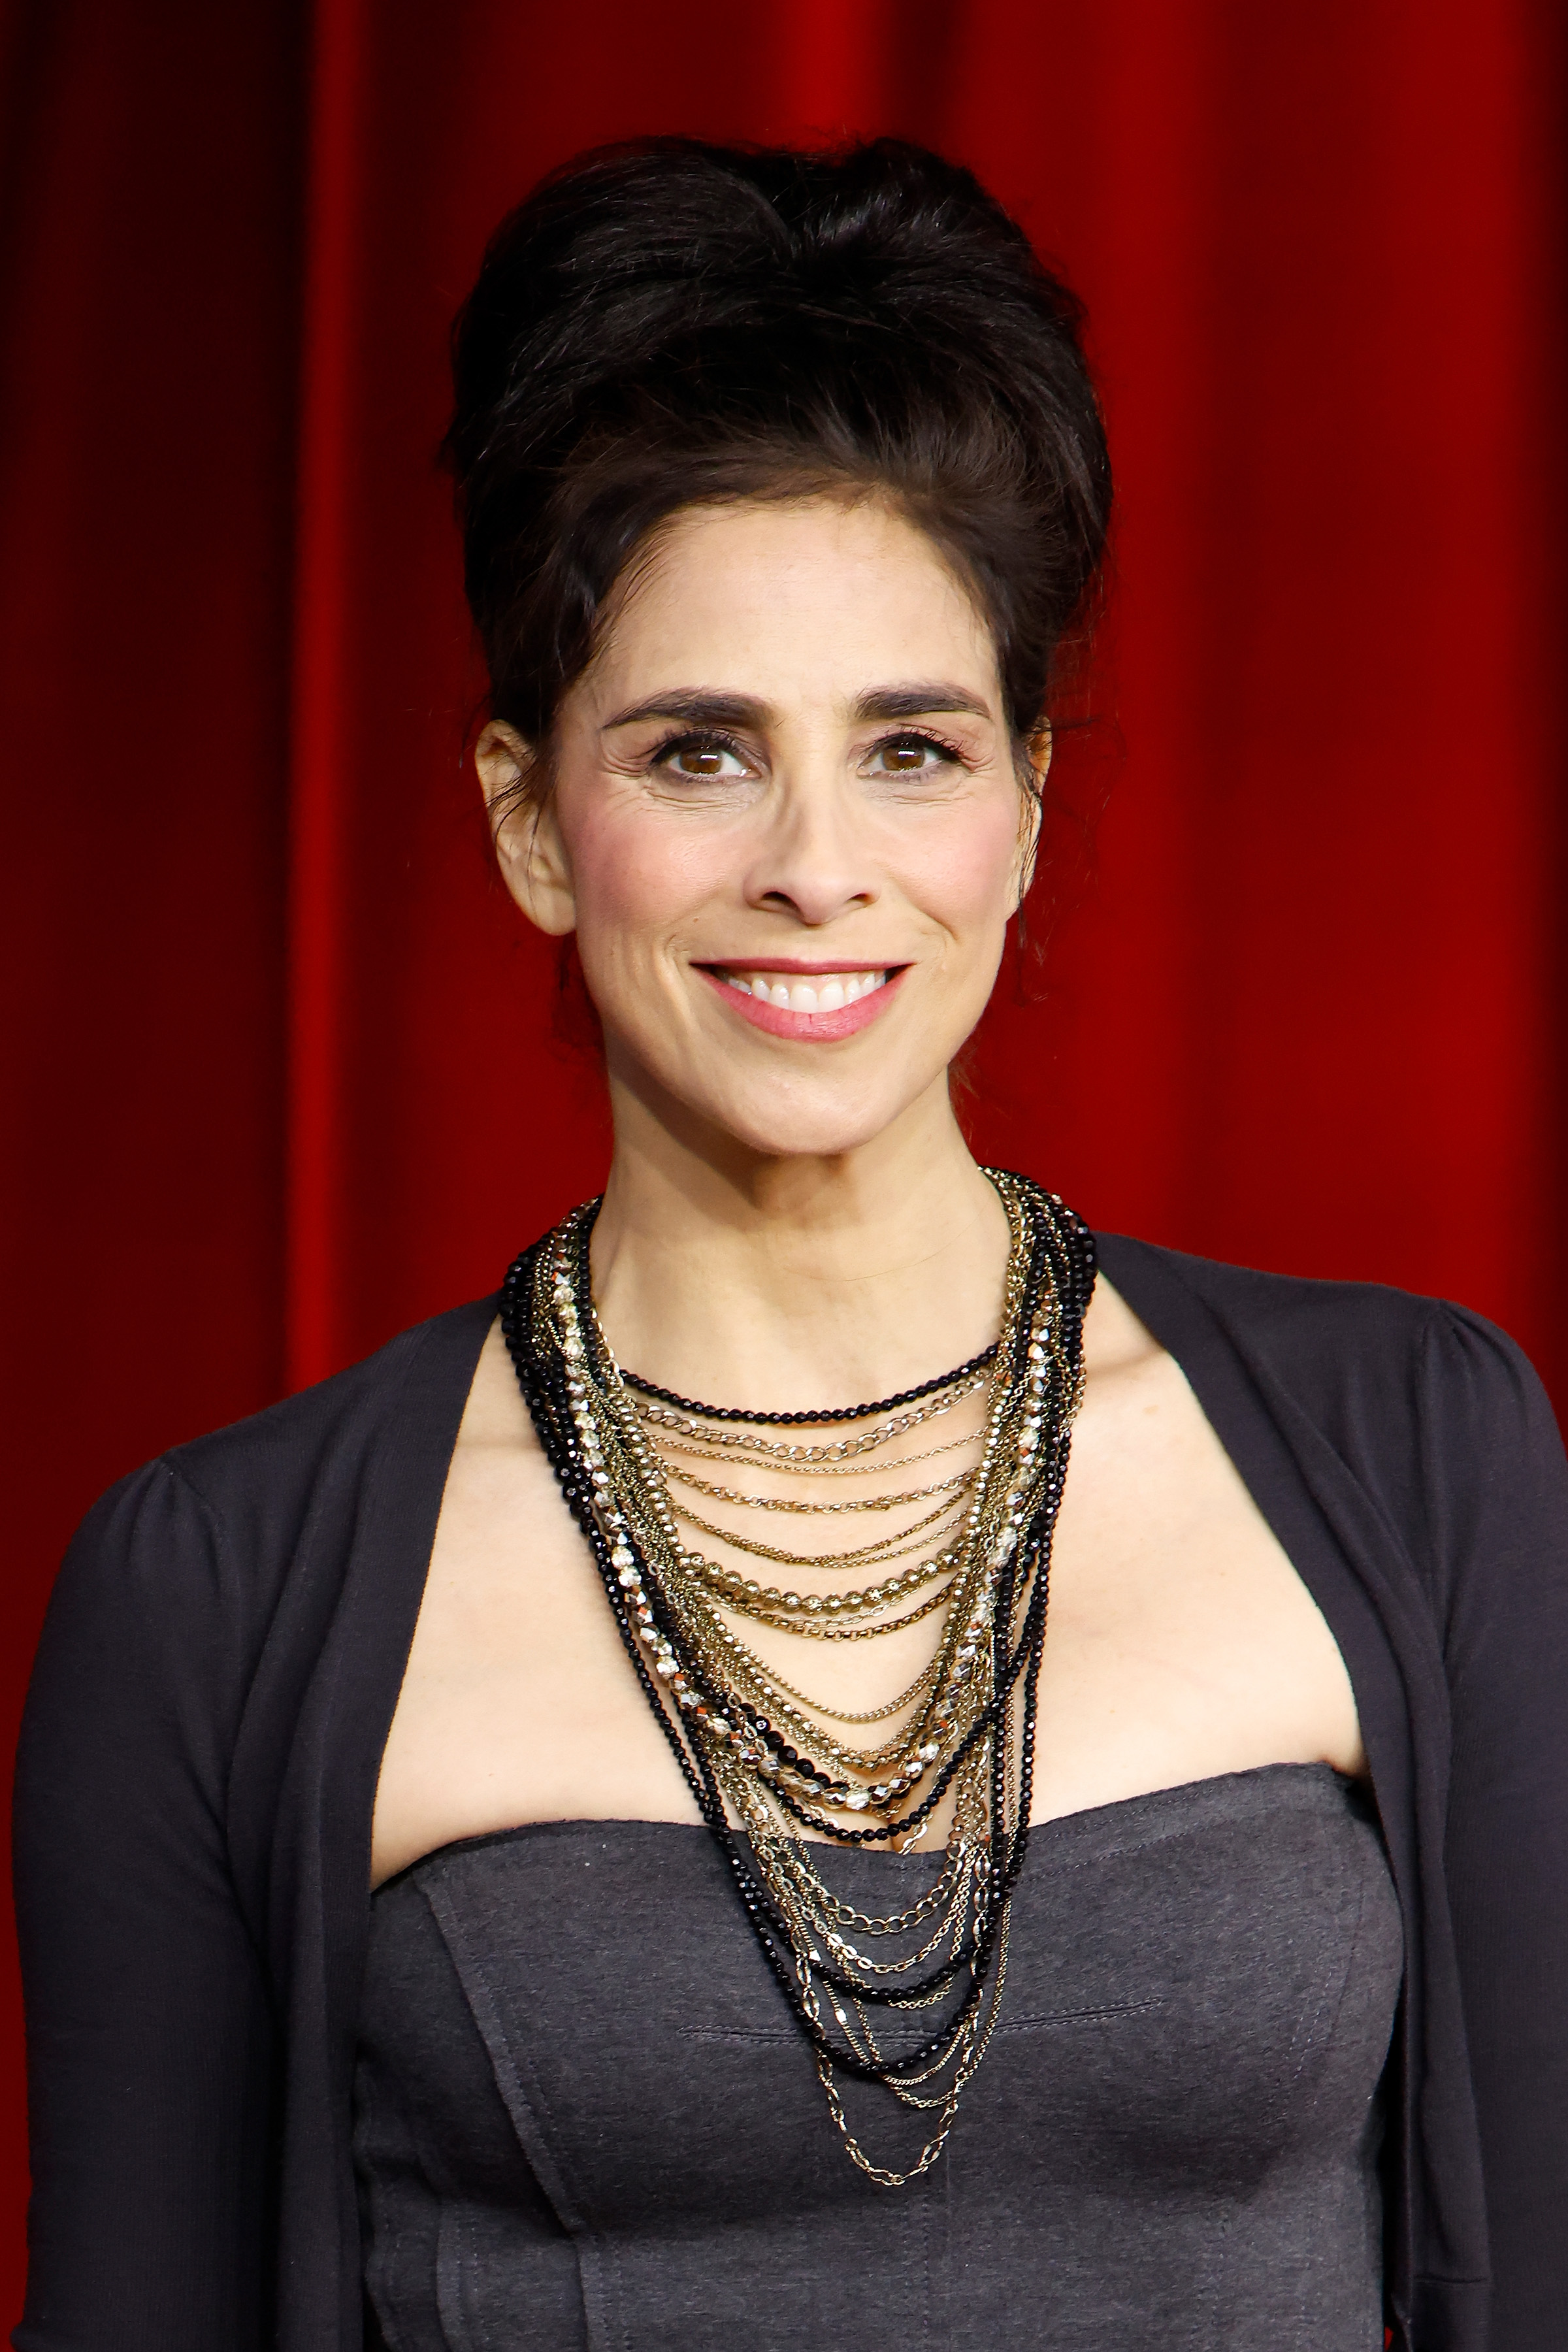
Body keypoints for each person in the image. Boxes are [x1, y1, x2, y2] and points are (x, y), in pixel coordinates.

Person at [13, 137, 1567, 2352]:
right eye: (699, 754)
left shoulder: (1415, 1457)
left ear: (1027, 803)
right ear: (531, 823)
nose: (817, 866)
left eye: (911, 748)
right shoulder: (220, 1596)